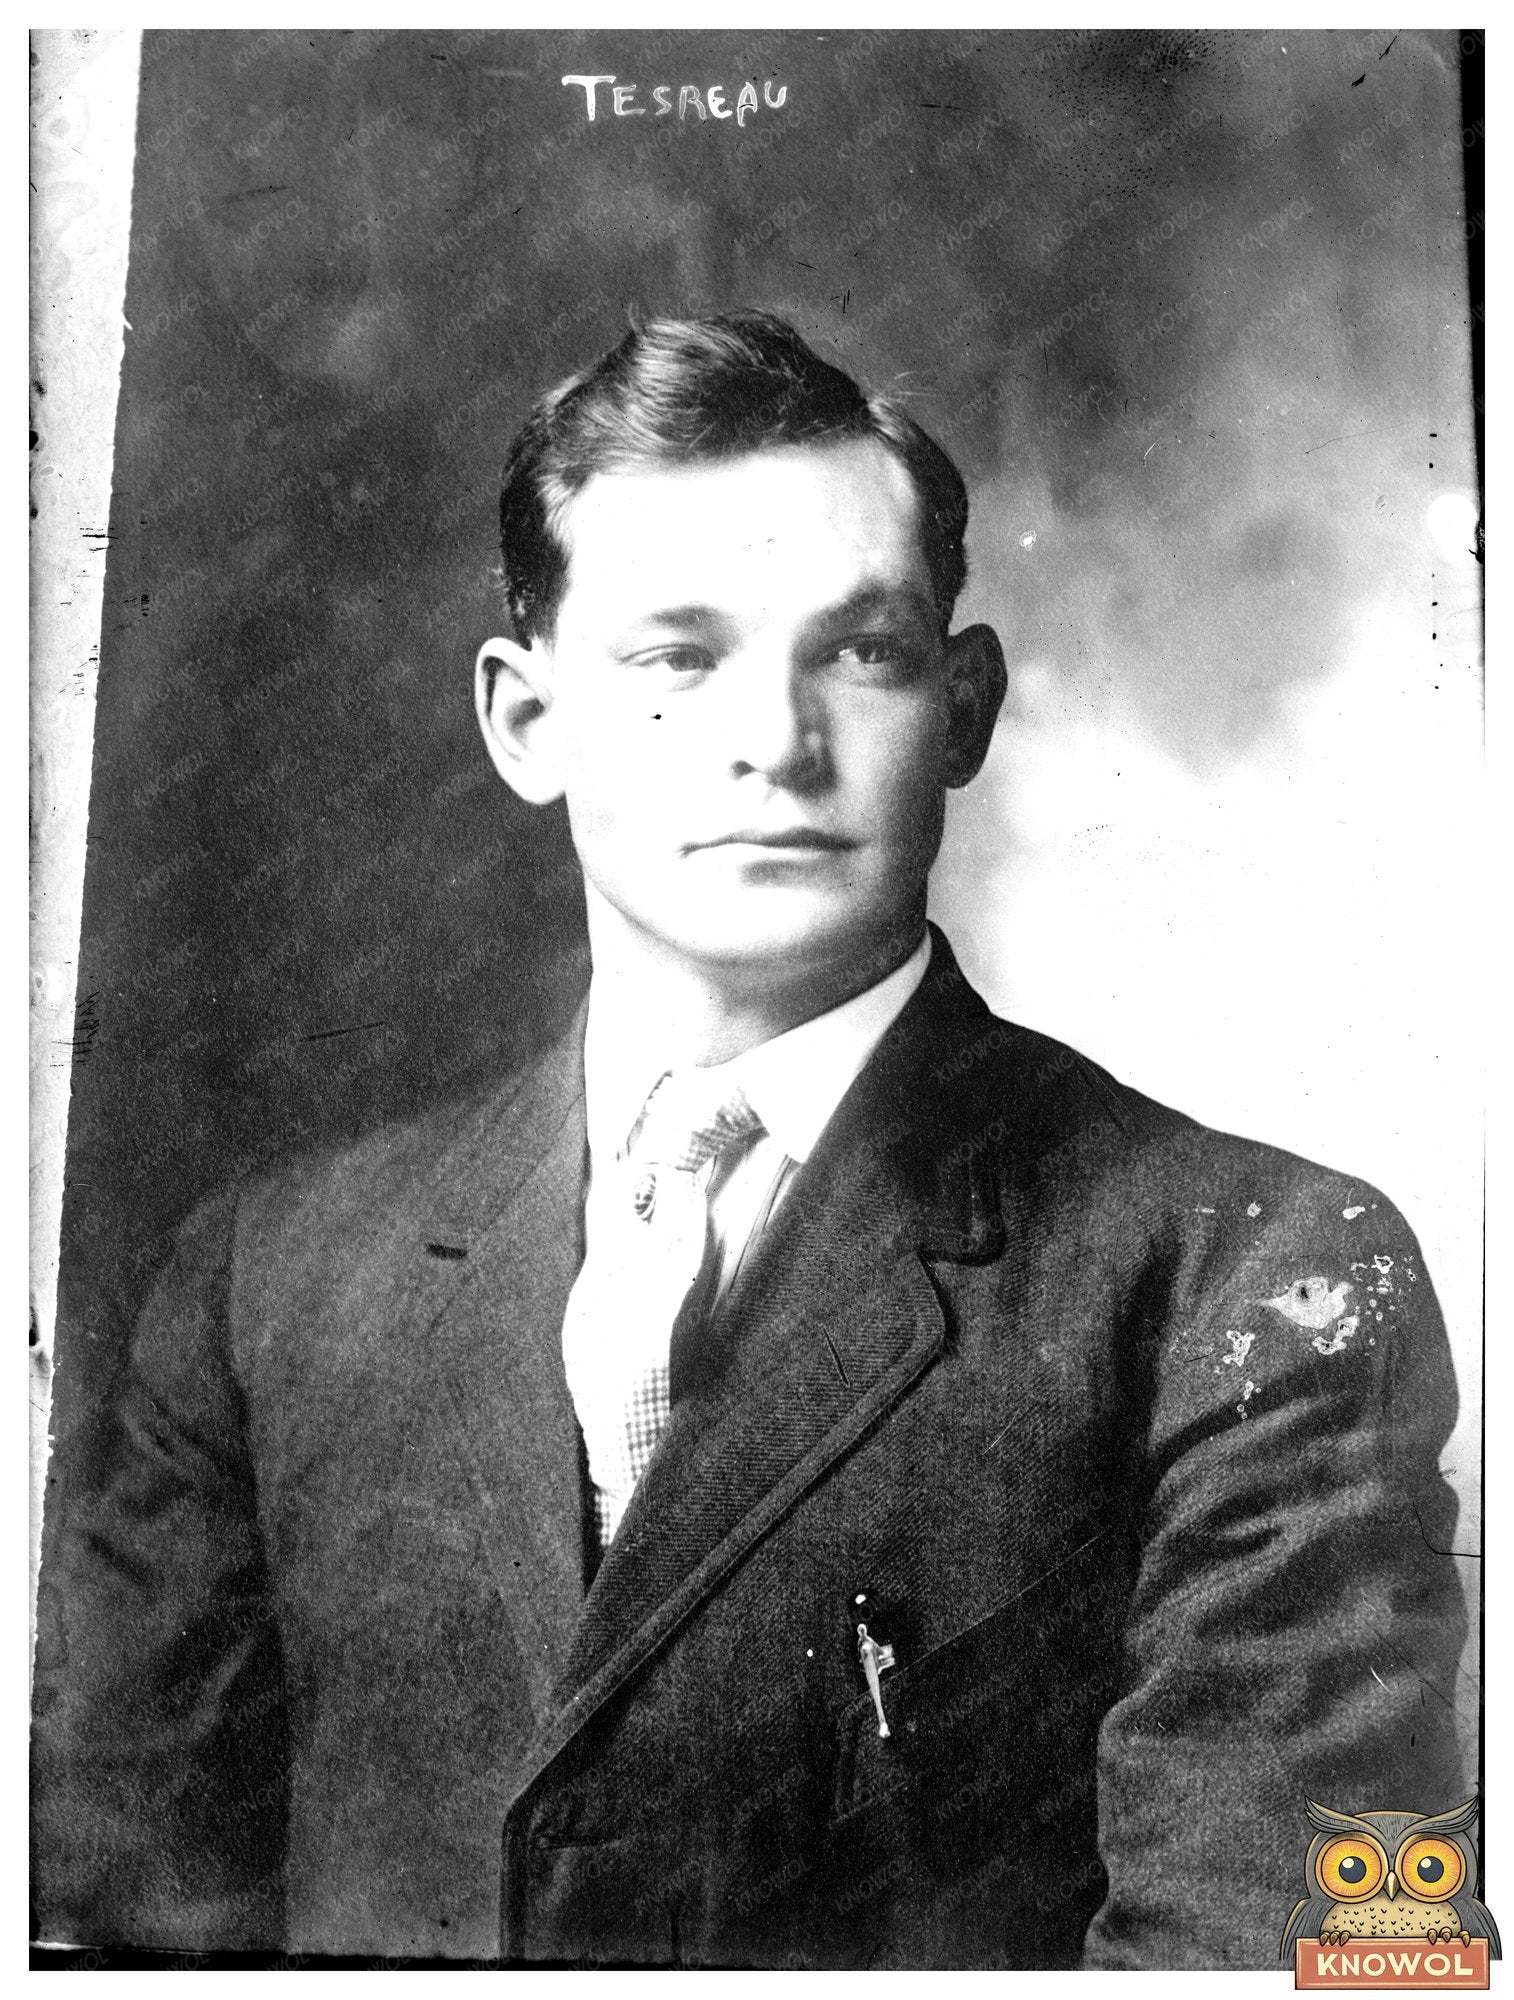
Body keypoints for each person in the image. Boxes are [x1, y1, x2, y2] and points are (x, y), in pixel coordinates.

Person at [32, 311, 1467, 1968]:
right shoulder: (267, 1281)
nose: (772, 746)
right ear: (525, 722)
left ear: (967, 705)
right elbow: (111, 1933)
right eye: (675, 657)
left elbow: (1297, 1965)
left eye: (859, 651)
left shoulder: (1255, 1271)